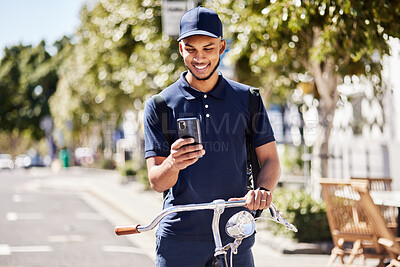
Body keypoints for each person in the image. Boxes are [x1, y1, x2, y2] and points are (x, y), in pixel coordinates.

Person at [143, 6, 280, 267]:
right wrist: (173, 163)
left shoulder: (247, 99)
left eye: (208, 48)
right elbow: (157, 182)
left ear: (222, 47)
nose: (200, 57)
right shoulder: (160, 105)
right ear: (181, 48)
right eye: (191, 49)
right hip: (179, 241)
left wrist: (262, 190)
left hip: (235, 235)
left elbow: (271, 160)